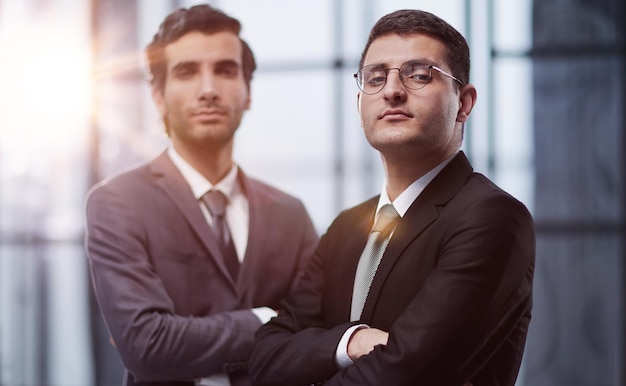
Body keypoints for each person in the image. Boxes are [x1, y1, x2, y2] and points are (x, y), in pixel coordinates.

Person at [249, 9, 535, 386]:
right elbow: (264, 358)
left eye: (419, 75)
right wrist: (351, 341)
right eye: (376, 77)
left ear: (464, 103)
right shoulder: (347, 227)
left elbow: (409, 372)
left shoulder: (491, 218)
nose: (392, 90)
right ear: (359, 103)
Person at [84, 5, 319, 386]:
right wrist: (268, 322)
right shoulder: (116, 203)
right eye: (187, 72)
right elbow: (146, 346)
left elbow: (317, 334)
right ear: (158, 96)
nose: (208, 90)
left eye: (225, 70)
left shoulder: (290, 213)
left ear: (247, 92)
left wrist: (185, 334)